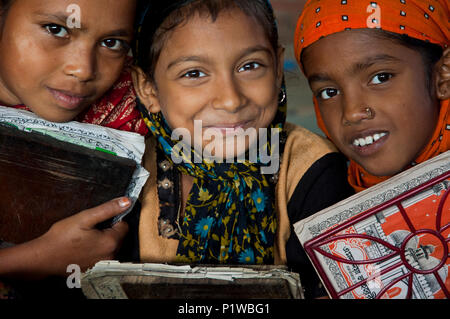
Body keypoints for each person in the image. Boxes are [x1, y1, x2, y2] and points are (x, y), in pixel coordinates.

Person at [121, 0, 354, 299]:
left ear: (278, 69)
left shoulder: (313, 169)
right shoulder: (132, 172)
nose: (230, 100)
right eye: (194, 74)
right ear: (148, 89)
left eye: (250, 66)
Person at [0, 0, 147, 298]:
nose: (82, 69)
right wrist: (37, 258)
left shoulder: (139, 103)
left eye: (112, 42)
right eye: (56, 29)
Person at [294, 0, 449, 193]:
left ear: (443, 75)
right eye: (329, 92)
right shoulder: (324, 198)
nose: (351, 113)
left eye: (380, 78)